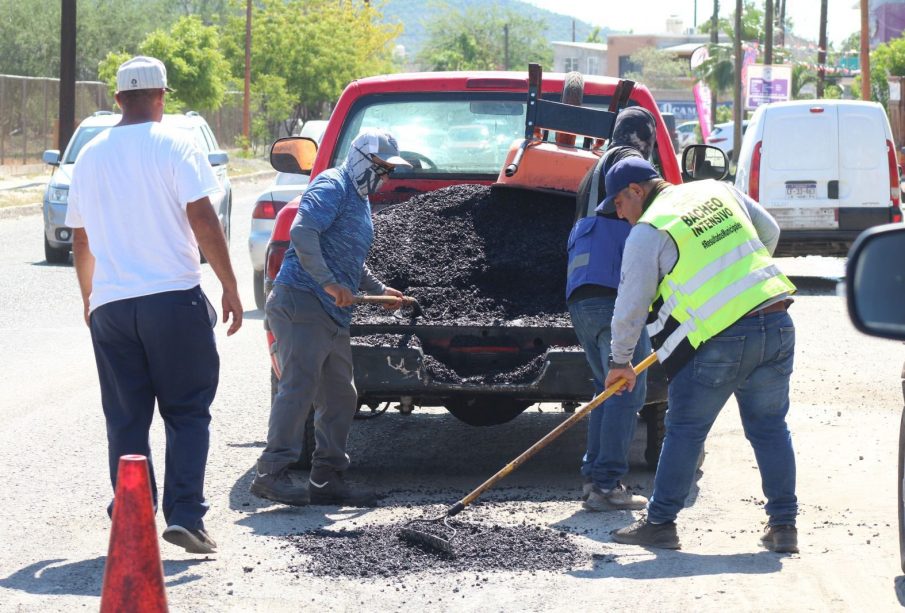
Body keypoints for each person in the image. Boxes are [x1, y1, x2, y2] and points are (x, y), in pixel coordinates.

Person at [67, 56, 243, 555]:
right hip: (172, 299)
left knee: (126, 417)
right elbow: (203, 218)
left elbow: (80, 239)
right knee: (187, 412)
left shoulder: (91, 155)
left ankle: (132, 512)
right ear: (162, 97)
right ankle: (185, 516)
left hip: (112, 307)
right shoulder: (176, 144)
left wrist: (89, 296)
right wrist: (229, 285)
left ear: (118, 98)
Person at [600, 157, 799, 553]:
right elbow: (769, 230)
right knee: (769, 427)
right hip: (775, 322)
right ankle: (784, 526)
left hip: (721, 341)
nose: (619, 215)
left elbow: (631, 304)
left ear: (636, 191)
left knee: (686, 430)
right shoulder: (716, 189)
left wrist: (620, 361)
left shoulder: (648, 230)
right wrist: (740, 281)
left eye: (619, 205)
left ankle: (659, 524)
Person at [250, 128, 412, 508]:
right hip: (302, 301)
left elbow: (349, 258)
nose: (385, 176)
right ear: (360, 159)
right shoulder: (332, 184)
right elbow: (302, 231)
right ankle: (270, 473)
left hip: (331, 311)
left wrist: (380, 289)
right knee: (299, 386)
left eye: (388, 170)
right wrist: (326, 282)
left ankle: (327, 478)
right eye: (381, 167)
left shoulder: (358, 200)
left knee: (341, 394)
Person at [566, 107, 657, 511]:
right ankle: (606, 485)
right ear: (642, 139)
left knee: (607, 387)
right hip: (609, 290)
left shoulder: (592, 170)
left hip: (582, 294)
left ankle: (594, 479)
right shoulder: (626, 162)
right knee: (626, 387)